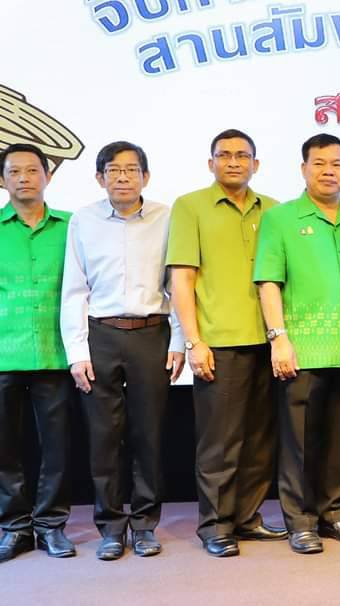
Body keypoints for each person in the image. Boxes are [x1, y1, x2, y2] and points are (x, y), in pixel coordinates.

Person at [60, 141, 185, 560]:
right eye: (114, 170)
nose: (123, 178)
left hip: (151, 334)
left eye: (132, 170)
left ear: (146, 177)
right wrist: (77, 351)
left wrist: (180, 340)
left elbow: (178, 285)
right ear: (100, 178)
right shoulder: (84, 220)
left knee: (149, 435)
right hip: (101, 334)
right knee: (103, 438)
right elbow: (74, 289)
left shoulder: (167, 217)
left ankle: (145, 525)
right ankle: (111, 527)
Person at [167, 129, 287, 557]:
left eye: (242, 155)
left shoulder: (274, 209)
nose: (233, 162)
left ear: (256, 164)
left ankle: (247, 518)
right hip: (218, 343)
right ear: (211, 162)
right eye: (224, 155)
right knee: (220, 442)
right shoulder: (190, 206)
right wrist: (193, 341)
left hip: (268, 342)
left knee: (260, 439)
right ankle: (215, 525)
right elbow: (182, 279)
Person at [254, 134, 340, 555]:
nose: (328, 171)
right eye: (319, 163)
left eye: (337, 163)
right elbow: (268, 281)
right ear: (303, 169)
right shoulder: (281, 219)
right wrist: (278, 338)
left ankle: (334, 513)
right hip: (300, 349)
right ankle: (301, 522)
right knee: (300, 441)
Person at [0, 143, 75, 563]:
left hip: (55, 352)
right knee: (4, 448)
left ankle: (50, 525)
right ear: (2, 180)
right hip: (3, 352)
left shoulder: (72, 227)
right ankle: (14, 527)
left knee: (57, 447)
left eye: (32, 170)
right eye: (15, 171)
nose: (24, 178)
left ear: (48, 176)